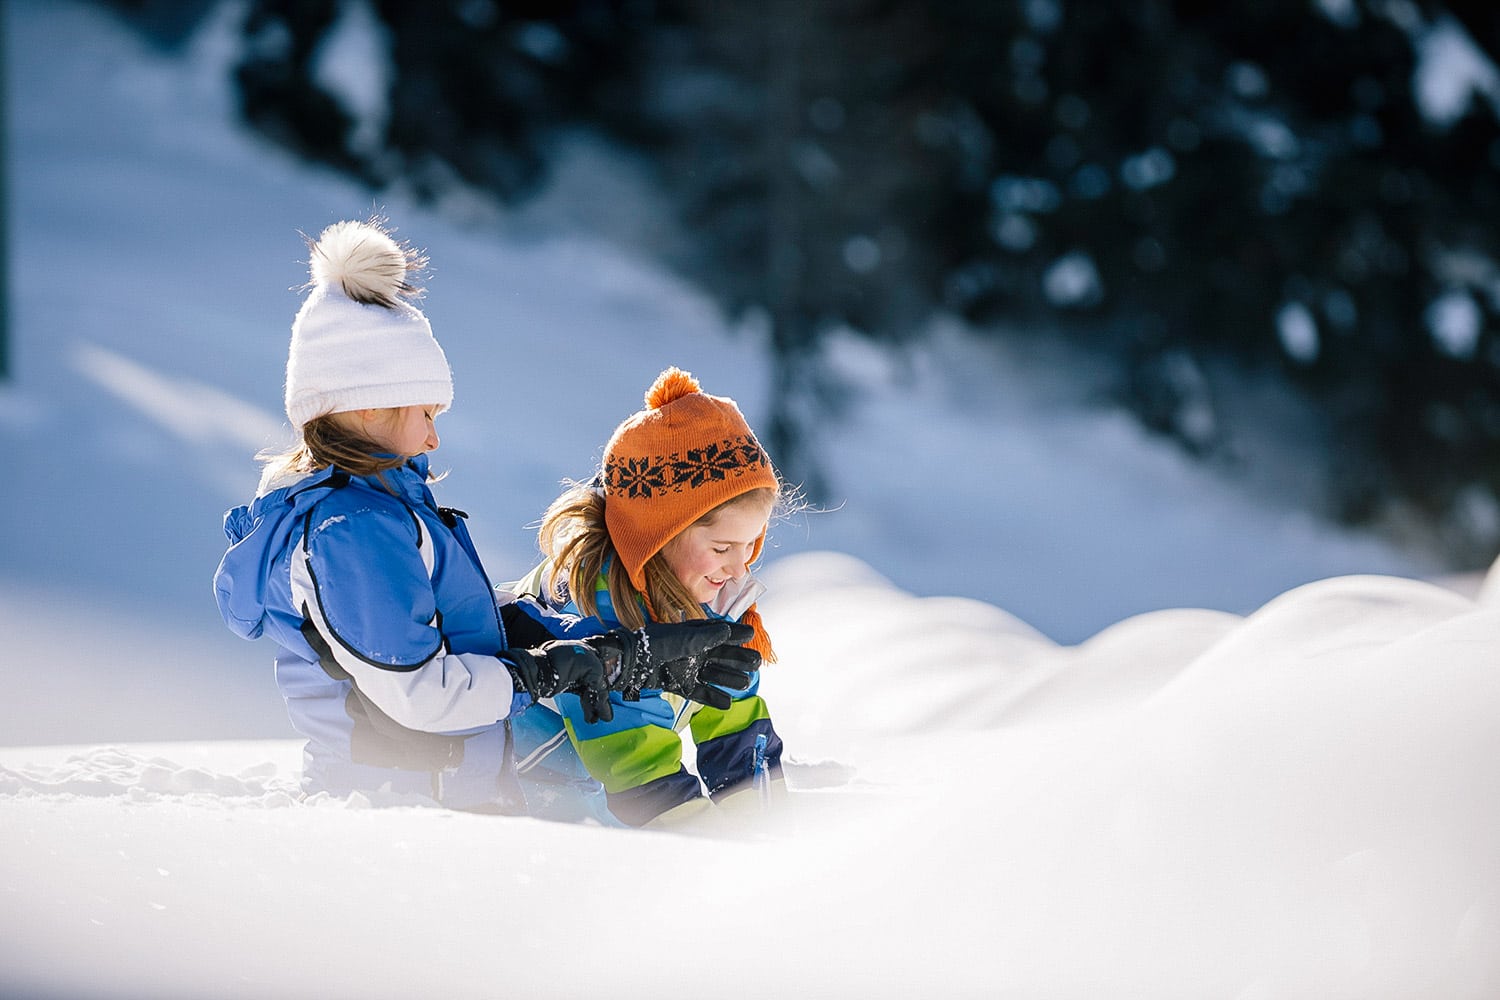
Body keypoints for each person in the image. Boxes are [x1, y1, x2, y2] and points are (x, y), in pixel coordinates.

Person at [212, 219, 756, 815]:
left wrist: (622, 652)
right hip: (395, 811)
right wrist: (545, 674)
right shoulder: (351, 532)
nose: (433, 436)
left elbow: (451, 630)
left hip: (439, 794)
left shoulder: (380, 513)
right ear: (367, 408)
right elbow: (417, 692)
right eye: (424, 411)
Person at [516, 366, 789, 827]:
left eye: (752, 545)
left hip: (609, 792)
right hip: (534, 795)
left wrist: (765, 827)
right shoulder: (596, 609)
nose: (739, 567)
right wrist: (714, 851)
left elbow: (736, 721)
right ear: (656, 538)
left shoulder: (711, 587)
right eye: (722, 548)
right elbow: (635, 761)